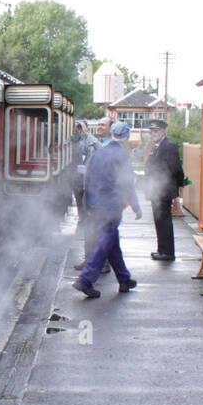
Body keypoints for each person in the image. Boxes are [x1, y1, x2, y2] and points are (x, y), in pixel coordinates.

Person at [73, 120, 140, 298]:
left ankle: (124, 278)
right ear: (126, 138)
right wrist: (136, 206)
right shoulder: (122, 156)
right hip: (111, 206)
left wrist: (88, 202)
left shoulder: (99, 153)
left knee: (112, 241)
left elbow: (87, 178)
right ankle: (85, 280)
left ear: (112, 134)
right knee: (105, 242)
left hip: (95, 204)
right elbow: (127, 185)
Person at [143, 119, 184, 261]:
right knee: (159, 220)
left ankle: (167, 252)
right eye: (151, 132)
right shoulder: (158, 146)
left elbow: (175, 167)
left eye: (155, 131)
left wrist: (178, 184)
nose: (152, 134)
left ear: (163, 131)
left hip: (163, 190)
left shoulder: (169, 146)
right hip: (158, 189)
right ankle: (162, 249)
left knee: (164, 221)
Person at [70, 120, 102, 270]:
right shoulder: (75, 142)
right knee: (88, 224)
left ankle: (94, 263)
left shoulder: (95, 144)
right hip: (80, 182)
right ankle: (92, 260)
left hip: (91, 187)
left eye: (80, 128)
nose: (77, 131)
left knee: (95, 228)